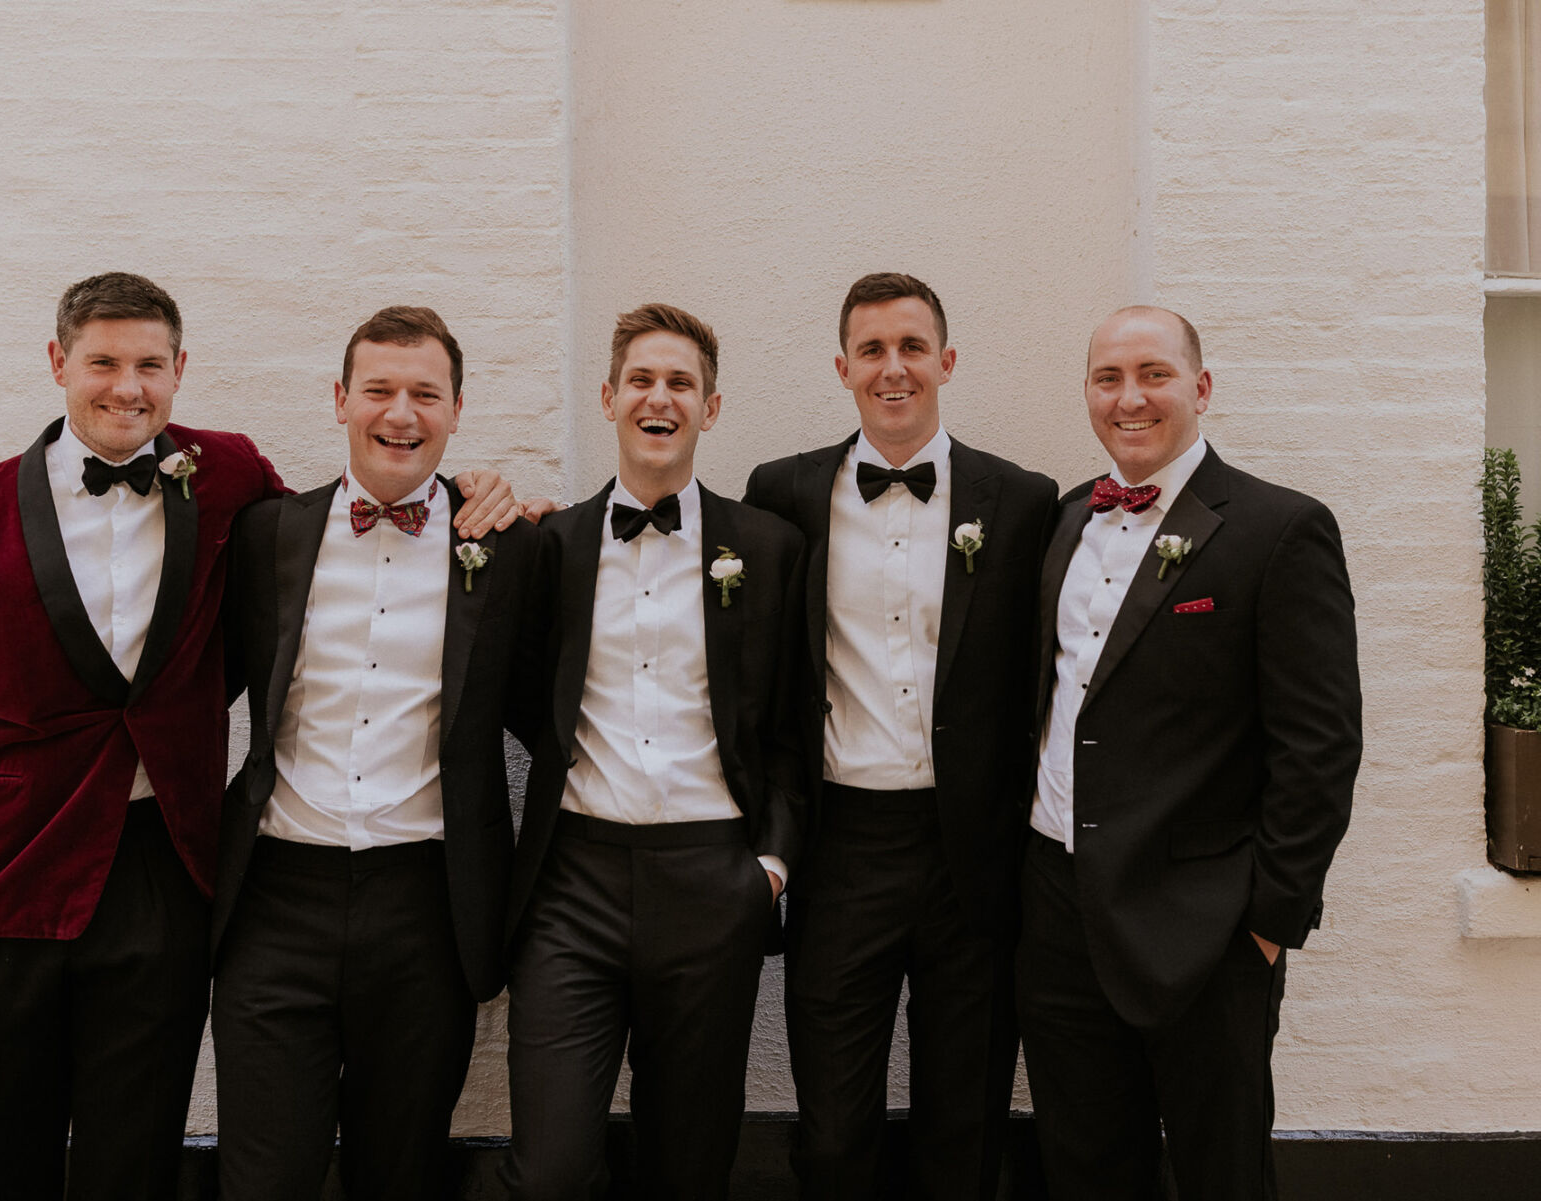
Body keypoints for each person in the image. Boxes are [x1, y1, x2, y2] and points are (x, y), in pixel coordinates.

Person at [0, 274, 511, 1200]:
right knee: (4, 1161)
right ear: (59, 364)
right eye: (103, 362)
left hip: (164, 875)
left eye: (149, 365)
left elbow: (348, 533)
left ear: (181, 371)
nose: (127, 387)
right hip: (4, 881)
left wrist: (478, 490)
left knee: (136, 1159)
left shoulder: (230, 476)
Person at [1015, 305, 1360, 1201]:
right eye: (1107, 378)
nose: (1130, 397)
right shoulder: (1060, 523)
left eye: (1153, 374)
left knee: (1222, 1173)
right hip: (1059, 913)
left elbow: (1319, 747)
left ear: (1199, 388)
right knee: (1084, 1164)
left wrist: (1267, 926)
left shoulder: (1279, 530)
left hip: (1206, 929)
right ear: (1088, 394)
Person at [210, 305, 547, 1201]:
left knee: (398, 1172)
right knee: (262, 1176)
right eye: (380, 390)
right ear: (340, 400)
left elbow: (562, 715)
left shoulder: (507, 548)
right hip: (276, 900)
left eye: (425, 393)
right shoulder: (267, 535)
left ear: (457, 409)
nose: (401, 413)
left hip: (425, 908)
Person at [743, 271, 1057, 1198]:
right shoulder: (782, 492)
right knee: (834, 1129)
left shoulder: (1023, 498)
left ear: (947, 362)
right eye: (873, 350)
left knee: (963, 1128)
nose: (894, 369)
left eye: (913, 348)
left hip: (974, 854)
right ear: (843, 368)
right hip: (841, 846)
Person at [502, 303, 807, 1199]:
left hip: (714, 881)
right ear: (608, 397)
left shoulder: (768, 548)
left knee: (690, 1163)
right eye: (641, 379)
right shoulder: (547, 546)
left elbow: (793, 724)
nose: (659, 398)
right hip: (573, 885)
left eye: (681, 383)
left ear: (710, 409)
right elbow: (518, 695)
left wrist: (771, 870)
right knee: (550, 1167)